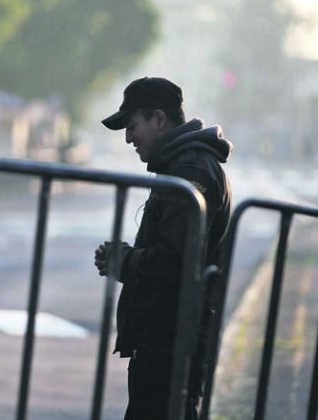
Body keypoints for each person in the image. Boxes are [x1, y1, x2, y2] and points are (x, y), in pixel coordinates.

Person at [93, 77, 233, 419]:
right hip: (168, 338)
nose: (128, 138)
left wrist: (123, 260)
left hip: (170, 342)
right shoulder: (184, 164)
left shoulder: (188, 170)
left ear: (159, 119)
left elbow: (175, 262)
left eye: (132, 126)